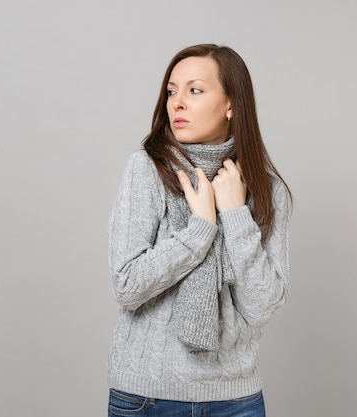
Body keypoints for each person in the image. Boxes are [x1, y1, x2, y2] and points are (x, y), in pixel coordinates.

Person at [106, 44, 292, 417]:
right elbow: (127, 286)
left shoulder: (267, 190)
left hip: (235, 400)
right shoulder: (147, 170)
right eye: (172, 91)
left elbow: (261, 306)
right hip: (148, 398)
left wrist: (236, 214)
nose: (177, 103)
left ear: (231, 104)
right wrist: (200, 229)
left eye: (195, 90)